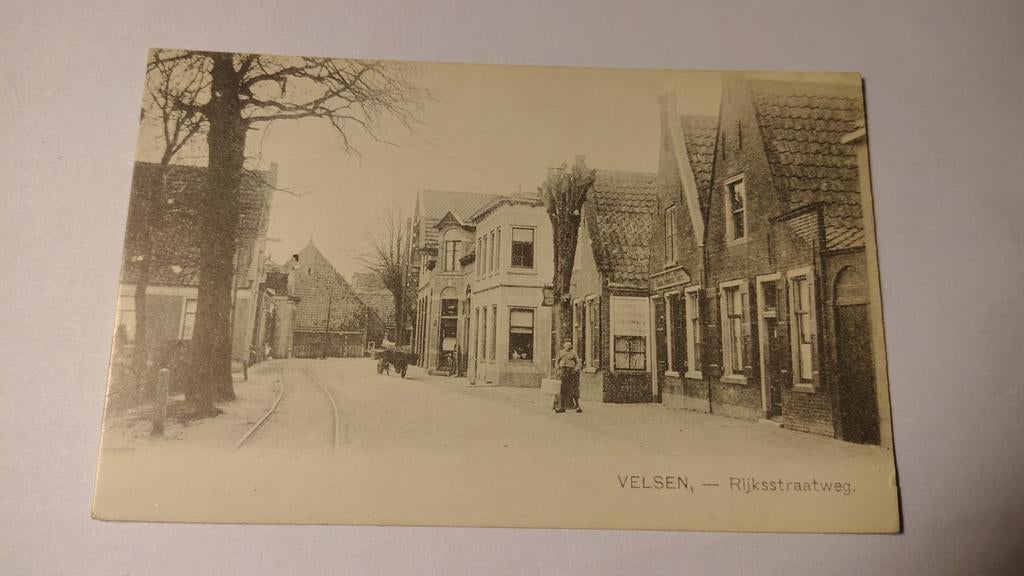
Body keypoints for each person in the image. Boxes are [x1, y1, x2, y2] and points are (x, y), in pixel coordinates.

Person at [553, 340, 581, 413]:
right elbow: (557, 361)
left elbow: (578, 362)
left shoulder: (573, 353)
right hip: (563, 371)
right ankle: (562, 407)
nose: (569, 346)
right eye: (567, 345)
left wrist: (575, 369)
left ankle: (578, 406)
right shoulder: (561, 352)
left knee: (573, 388)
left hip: (571, 371)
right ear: (564, 345)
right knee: (563, 389)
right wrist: (557, 369)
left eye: (570, 345)